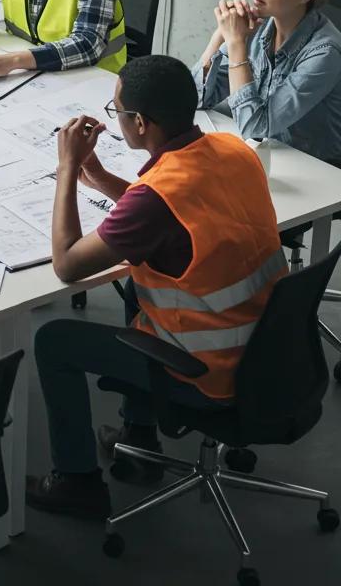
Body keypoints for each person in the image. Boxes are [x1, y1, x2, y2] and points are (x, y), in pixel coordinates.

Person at [25, 55, 284, 519]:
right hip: (267, 348)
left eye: (117, 111)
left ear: (139, 123)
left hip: (208, 371)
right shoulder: (233, 150)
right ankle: (137, 438)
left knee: (52, 341)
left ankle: (76, 480)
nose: (116, 118)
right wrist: (101, 178)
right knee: (139, 291)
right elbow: (177, 213)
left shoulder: (156, 199)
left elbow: (66, 264)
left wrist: (66, 168)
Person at [193, 0, 341, 166]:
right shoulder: (259, 28)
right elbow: (196, 99)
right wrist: (218, 38)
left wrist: (236, 44)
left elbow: (255, 127)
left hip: (316, 174)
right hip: (266, 156)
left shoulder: (325, 54)